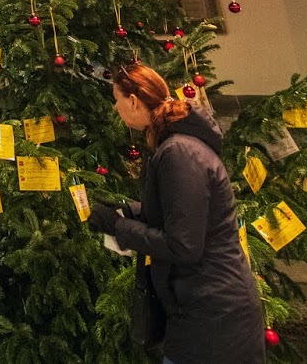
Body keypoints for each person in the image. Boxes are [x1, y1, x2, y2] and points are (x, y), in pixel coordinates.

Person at [88, 64, 263, 364]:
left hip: (213, 316)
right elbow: (183, 212)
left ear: (133, 100)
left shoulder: (179, 153)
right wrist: (130, 210)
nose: (114, 106)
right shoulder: (177, 146)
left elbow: (183, 245)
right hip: (201, 307)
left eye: (116, 98)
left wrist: (120, 227)